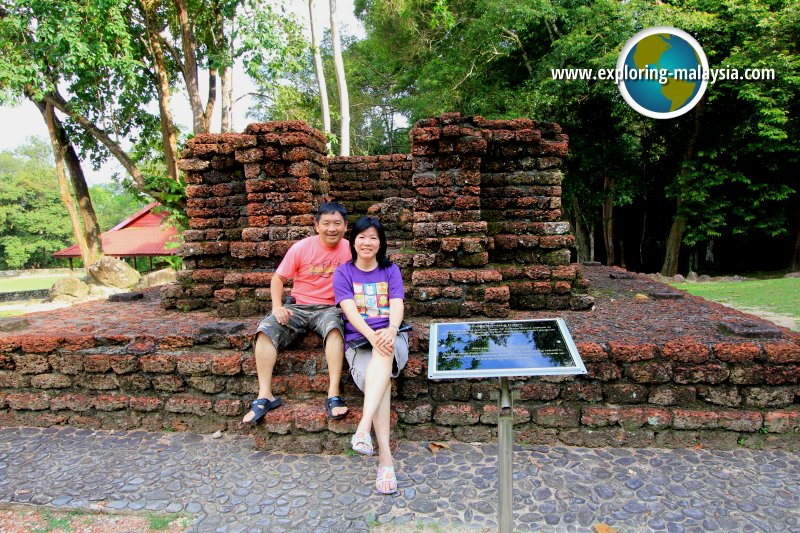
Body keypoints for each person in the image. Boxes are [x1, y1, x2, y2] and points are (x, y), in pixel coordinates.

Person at [243, 202, 351, 425]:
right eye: (326, 224)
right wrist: (277, 306)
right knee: (265, 330)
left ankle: (333, 394)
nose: (332, 229)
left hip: (330, 308)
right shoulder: (302, 247)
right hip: (298, 306)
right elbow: (278, 279)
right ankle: (265, 394)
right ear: (316, 226)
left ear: (345, 226)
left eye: (337, 224)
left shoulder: (351, 248)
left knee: (335, 331)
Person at [333, 216, 409, 495]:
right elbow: (349, 311)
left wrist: (390, 329)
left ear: (381, 243)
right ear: (353, 241)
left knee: (384, 355)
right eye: (362, 237)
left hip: (391, 337)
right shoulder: (343, 273)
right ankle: (384, 459)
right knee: (380, 379)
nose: (367, 242)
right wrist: (372, 336)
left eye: (373, 238)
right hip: (360, 340)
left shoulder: (391, 270)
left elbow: (397, 305)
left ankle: (366, 432)